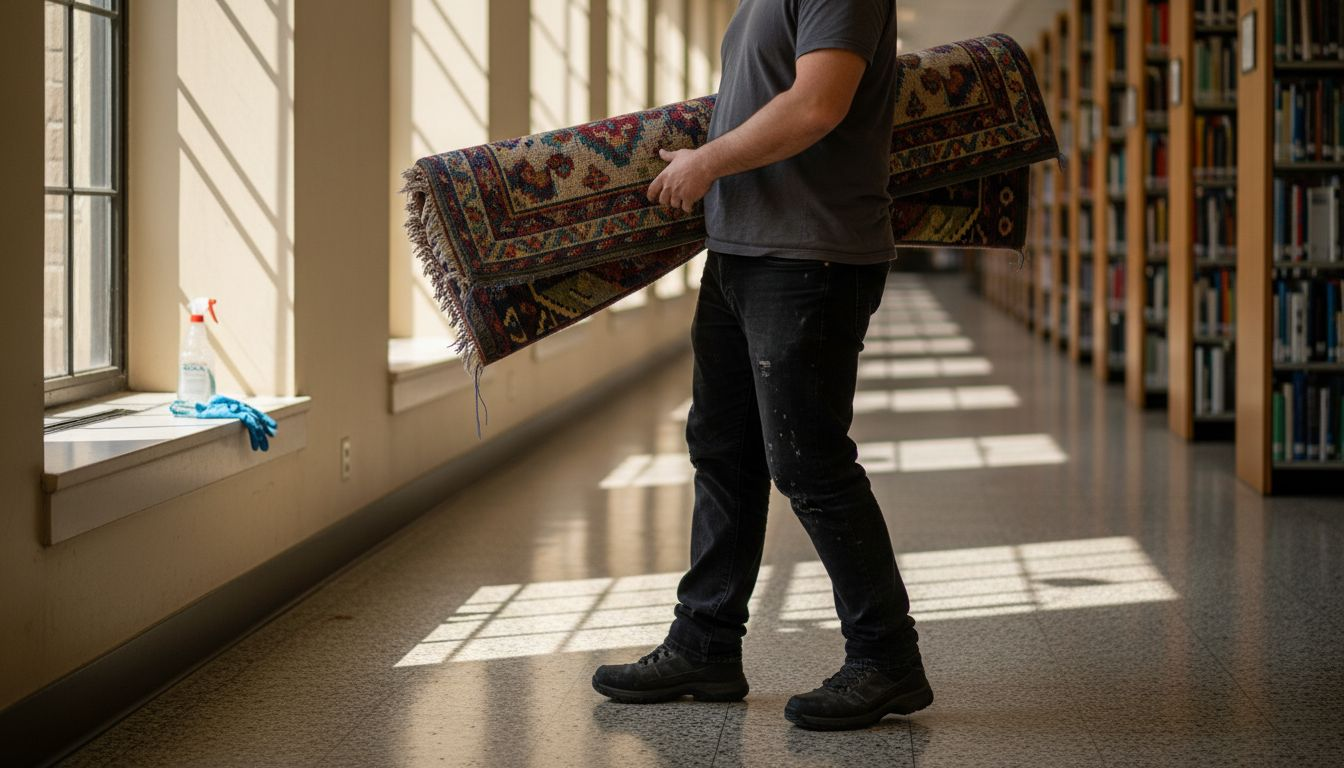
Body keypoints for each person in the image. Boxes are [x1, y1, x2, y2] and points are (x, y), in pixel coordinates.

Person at [590, 0, 932, 732]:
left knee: (809, 463)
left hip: (809, 255)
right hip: (740, 251)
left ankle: (887, 657)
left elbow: (817, 104)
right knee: (723, 452)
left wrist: (706, 162)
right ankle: (705, 644)